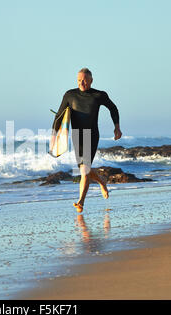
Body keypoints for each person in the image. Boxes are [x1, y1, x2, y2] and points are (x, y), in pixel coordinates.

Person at [51, 68, 122, 213]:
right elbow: (59, 116)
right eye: (78, 80)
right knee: (85, 168)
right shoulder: (70, 95)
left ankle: (80, 202)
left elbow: (113, 108)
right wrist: (54, 137)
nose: (81, 83)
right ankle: (101, 181)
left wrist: (117, 127)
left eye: (84, 80)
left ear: (91, 80)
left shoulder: (98, 95)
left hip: (92, 135)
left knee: (84, 170)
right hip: (77, 136)